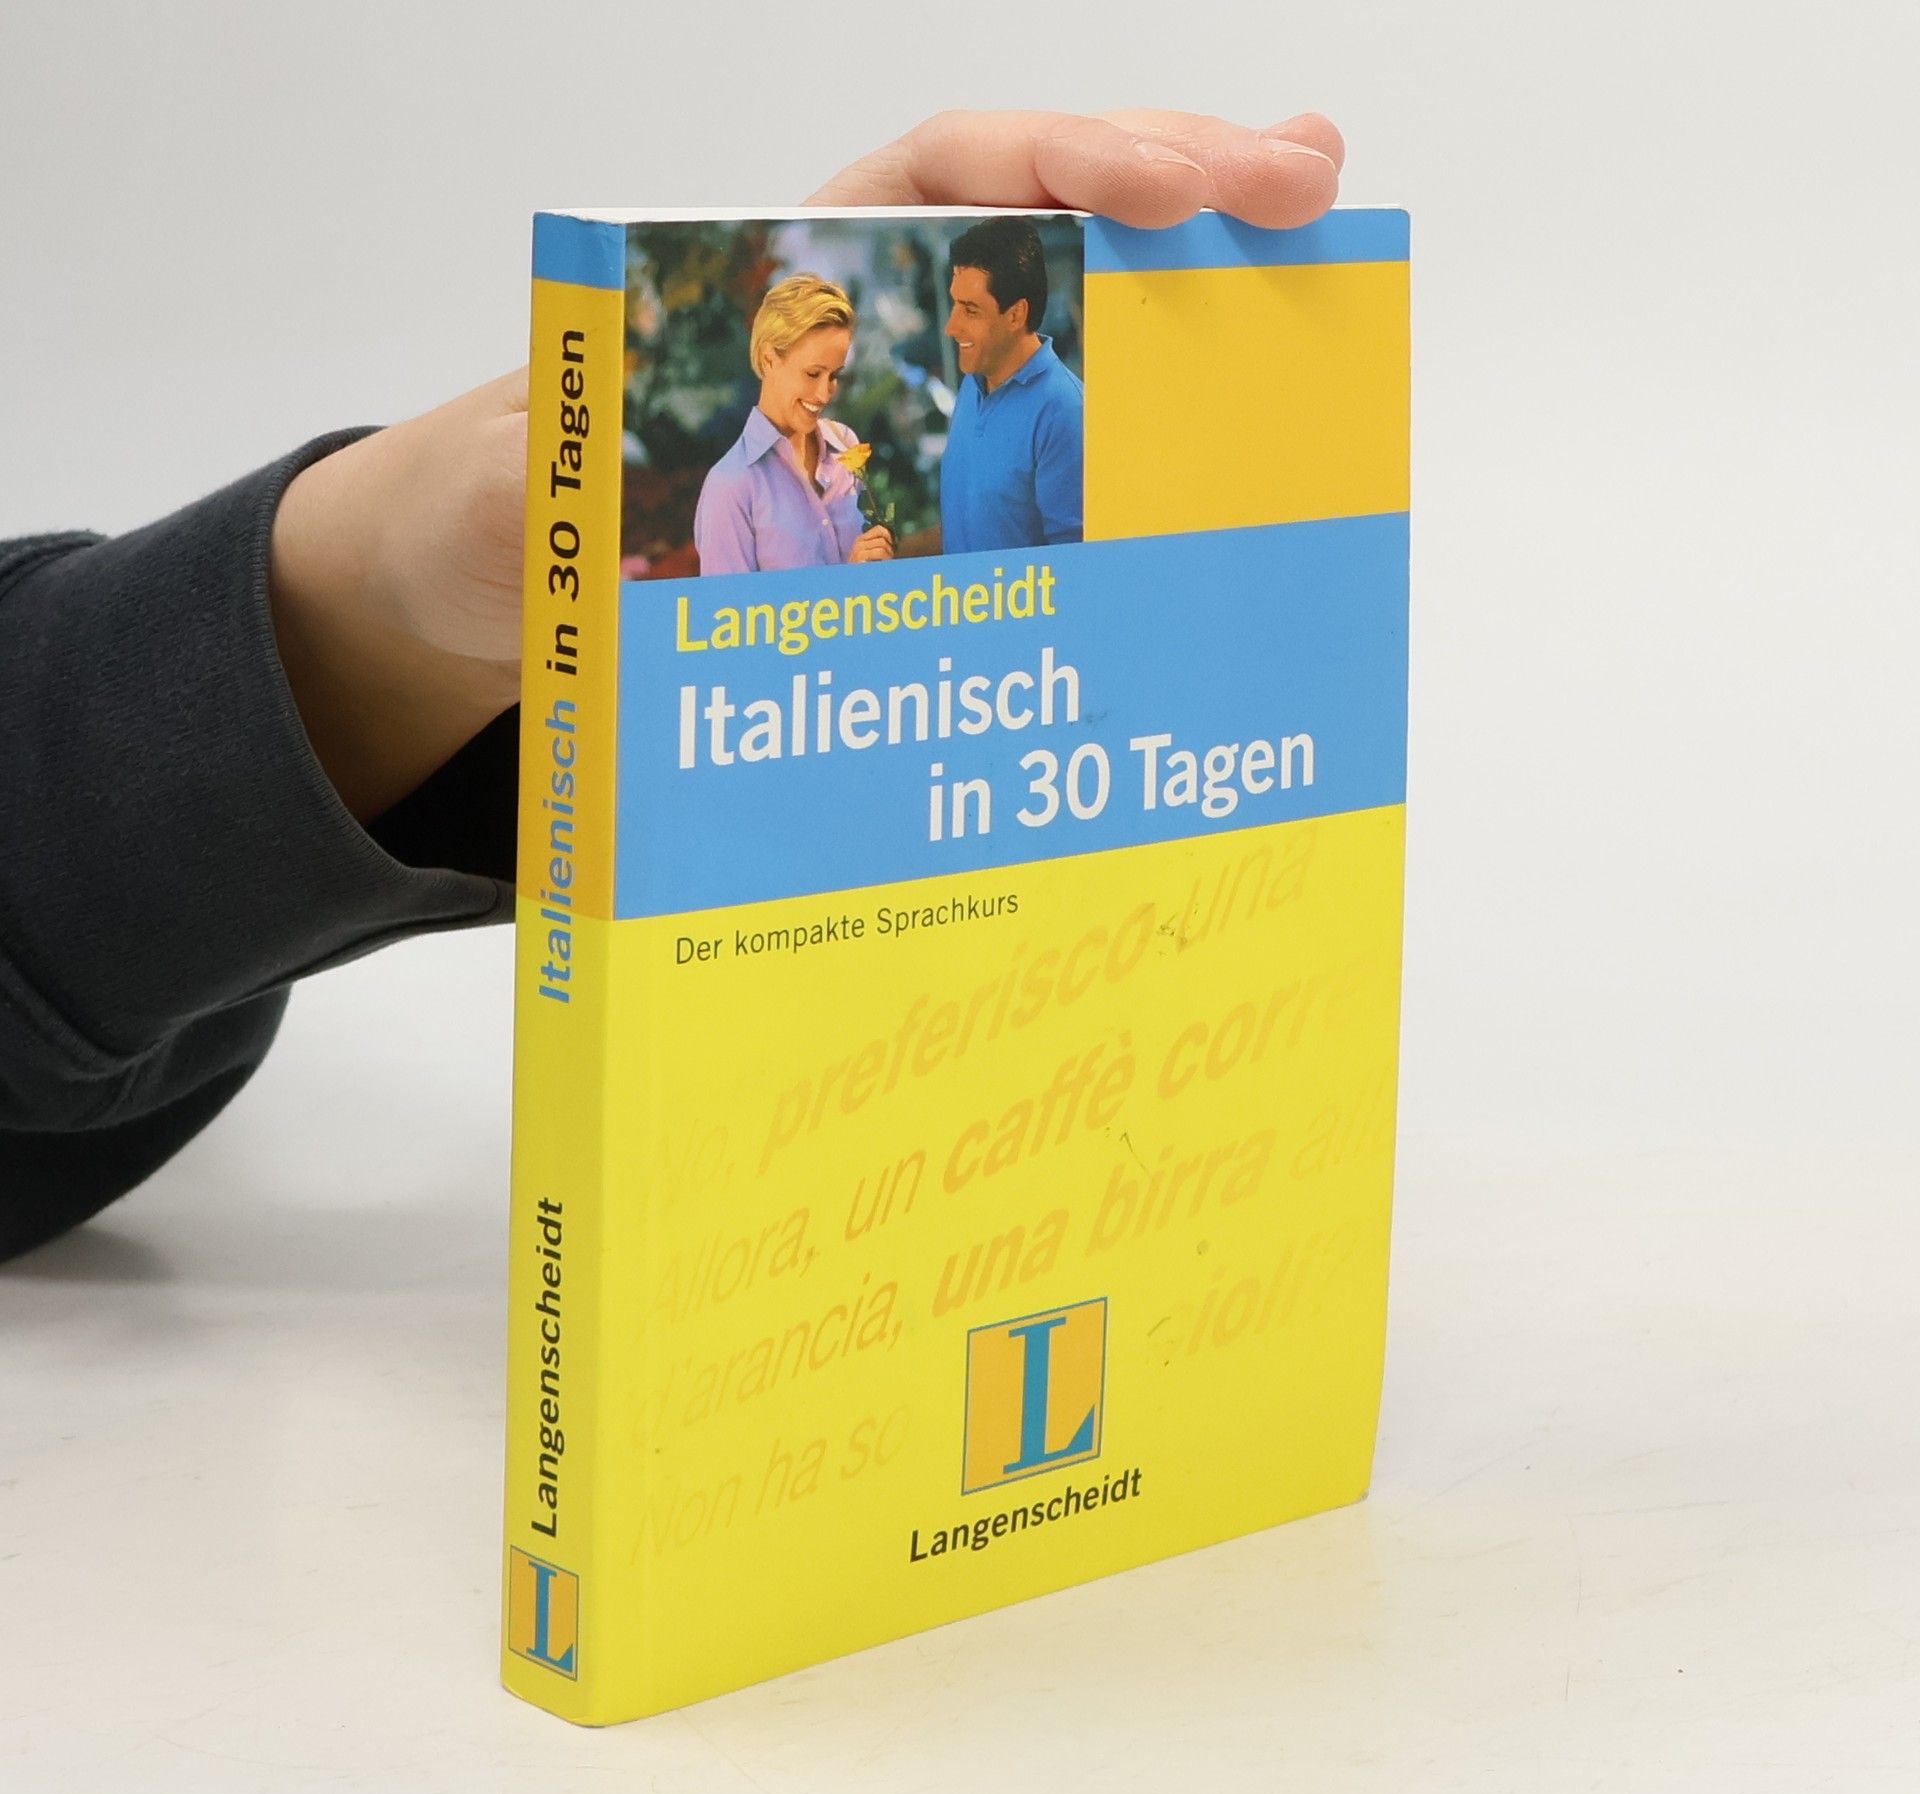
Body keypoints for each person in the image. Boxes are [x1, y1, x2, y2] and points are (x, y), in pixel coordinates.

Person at [0, 109, 1344, 1264]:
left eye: (845, 370)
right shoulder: (738, 486)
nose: (839, 387)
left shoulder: (935, 440)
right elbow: (748, 629)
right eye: (816, 373)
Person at [693, 273, 894, 575]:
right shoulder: (729, 488)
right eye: (813, 374)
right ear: (768, 359)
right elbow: (729, 607)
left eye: (835, 375)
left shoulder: (845, 445)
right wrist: (847, 583)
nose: (825, 393)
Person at [938, 215, 1085, 553]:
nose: (951, 327)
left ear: (1016, 314)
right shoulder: (972, 384)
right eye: (955, 304)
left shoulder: (1064, 410)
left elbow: (1074, 562)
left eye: (970, 310)